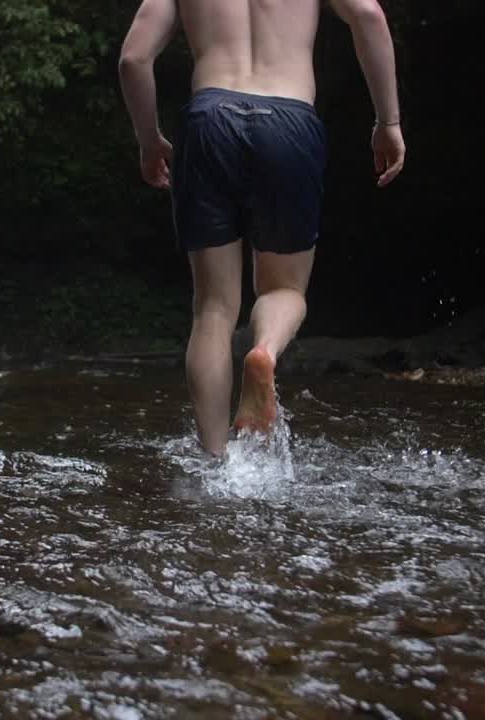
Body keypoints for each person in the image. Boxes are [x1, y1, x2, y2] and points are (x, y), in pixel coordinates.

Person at [119, 0, 405, 456]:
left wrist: (149, 140)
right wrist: (387, 121)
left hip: (210, 117)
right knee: (284, 290)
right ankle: (265, 352)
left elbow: (133, 59)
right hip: (289, 120)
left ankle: (214, 459)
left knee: (213, 309)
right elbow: (368, 15)